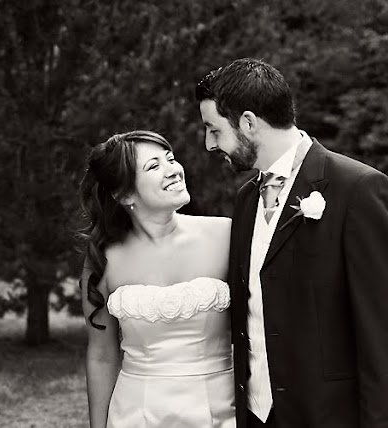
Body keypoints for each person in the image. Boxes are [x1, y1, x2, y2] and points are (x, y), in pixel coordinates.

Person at [196, 58, 388, 428]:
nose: (209, 144)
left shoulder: (357, 189)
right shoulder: (246, 199)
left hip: (329, 417)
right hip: (256, 416)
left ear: (248, 122)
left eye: (214, 129)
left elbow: (380, 332)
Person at [78, 130, 235, 428]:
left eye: (171, 159)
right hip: (134, 415)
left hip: (221, 413)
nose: (173, 170)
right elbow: (101, 355)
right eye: (154, 166)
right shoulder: (103, 259)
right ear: (124, 194)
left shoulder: (225, 234)